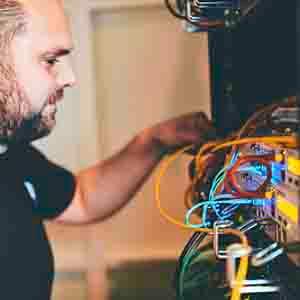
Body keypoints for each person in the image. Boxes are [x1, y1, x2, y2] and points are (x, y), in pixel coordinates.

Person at [0, 0, 216, 299]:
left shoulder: (11, 154)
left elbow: (82, 198)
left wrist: (155, 141)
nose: (69, 78)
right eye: (50, 60)